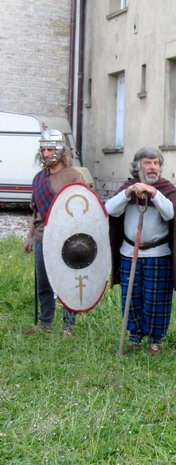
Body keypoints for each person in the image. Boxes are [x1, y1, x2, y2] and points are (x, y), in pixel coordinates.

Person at [106, 147, 176, 355]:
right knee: (133, 296)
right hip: (130, 252)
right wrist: (128, 193)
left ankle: (155, 338)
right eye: (148, 163)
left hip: (158, 253)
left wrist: (154, 193)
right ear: (138, 165)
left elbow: (169, 213)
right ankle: (135, 335)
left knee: (155, 298)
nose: (152, 167)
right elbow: (110, 209)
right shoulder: (127, 187)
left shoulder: (166, 189)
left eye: (156, 163)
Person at [23, 129, 86, 336]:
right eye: (43, 150)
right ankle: (45, 324)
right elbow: (36, 211)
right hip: (43, 235)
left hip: (67, 237)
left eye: (50, 149)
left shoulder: (74, 175)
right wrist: (30, 236)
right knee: (44, 282)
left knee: (67, 280)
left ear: (60, 151)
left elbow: (85, 207)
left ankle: (68, 326)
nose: (46, 154)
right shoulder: (38, 178)